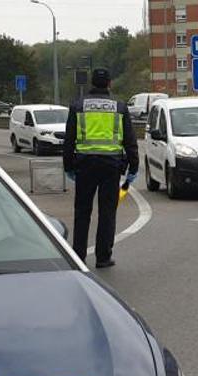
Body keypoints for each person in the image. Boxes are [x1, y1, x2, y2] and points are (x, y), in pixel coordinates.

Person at [63, 68, 139, 268]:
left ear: (92, 83)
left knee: (82, 211)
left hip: (85, 164)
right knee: (107, 212)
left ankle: (78, 256)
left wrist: (68, 166)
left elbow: (69, 139)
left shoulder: (78, 105)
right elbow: (130, 140)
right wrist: (133, 166)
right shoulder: (120, 107)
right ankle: (103, 257)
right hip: (111, 166)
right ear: (109, 83)